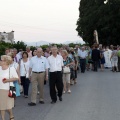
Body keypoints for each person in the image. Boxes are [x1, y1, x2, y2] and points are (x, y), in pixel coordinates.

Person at [0, 55, 19, 120]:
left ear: (5, 62)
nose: (0, 61)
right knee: (1, 106)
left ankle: (11, 114)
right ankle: (3, 118)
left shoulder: (11, 69)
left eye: (1, 60)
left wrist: (7, 80)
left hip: (8, 89)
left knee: (8, 106)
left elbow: (16, 78)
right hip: (1, 89)